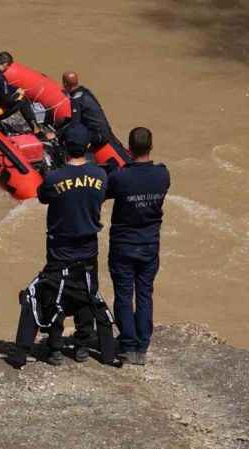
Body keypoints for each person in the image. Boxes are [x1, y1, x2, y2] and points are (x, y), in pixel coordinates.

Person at [9, 123, 119, 369]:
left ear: (64, 146)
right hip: (88, 248)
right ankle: (82, 346)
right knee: (86, 294)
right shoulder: (101, 176)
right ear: (88, 147)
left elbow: (43, 196)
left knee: (53, 295)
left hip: (60, 249)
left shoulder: (54, 178)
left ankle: (55, 347)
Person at [105, 127, 170, 365]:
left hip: (123, 244)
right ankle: (142, 345)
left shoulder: (120, 177)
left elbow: (106, 193)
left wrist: (113, 171)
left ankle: (128, 344)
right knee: (144, 294)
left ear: (129, 148)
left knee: (124, 294)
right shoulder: (162, 175)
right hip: (149, 243)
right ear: (150, 146)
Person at [0, 51, 50, 138]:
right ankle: (37, 131)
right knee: (23, 101)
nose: (7, 69)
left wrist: (15, 89)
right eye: (8, 66)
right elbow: (7, 102)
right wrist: (18, 96)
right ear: (5, 64)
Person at [61, 71, 131, 167]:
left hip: (98, 137)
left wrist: (61, 134)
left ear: (65, 84)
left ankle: (82, 165)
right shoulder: (85, 92)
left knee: (75, 139)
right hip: (105, 131)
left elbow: (75, 125)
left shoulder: (76, 100)